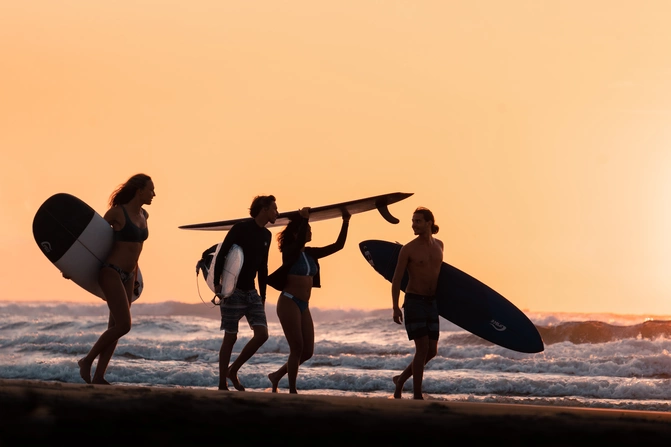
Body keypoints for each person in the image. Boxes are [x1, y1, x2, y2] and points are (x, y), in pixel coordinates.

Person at [78, 173, 155, 384]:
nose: (154, 194)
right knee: (124, 325)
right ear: (139, 191)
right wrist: (74, 268)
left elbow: (137, 249)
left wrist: (136, 274)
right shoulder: (116, 213)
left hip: (129, 276)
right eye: (150, 189)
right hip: (111, 272)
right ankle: (87, 361)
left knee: (115, 328)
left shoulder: (144, 215)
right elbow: (93, 242)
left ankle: (99, 376)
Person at [267, 208, 351, 394]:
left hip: (303, 305)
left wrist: (346, 221)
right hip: (288, 301)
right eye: (307, 229)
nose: (311, 232)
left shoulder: (311, 254)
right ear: (298, 233)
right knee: (296, 347)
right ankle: (292, 390)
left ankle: (276, 376)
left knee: (307, 352)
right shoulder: (290, 252)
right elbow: (296, 246)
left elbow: (338, 246)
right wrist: (303, 219)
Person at [212, 195, 278, 391]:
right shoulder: (240, 228)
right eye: (274, 208)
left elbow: (263, 268)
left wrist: (263, 296)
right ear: (264, 209)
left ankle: (233, 370)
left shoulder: (267, 235)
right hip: (233, 292)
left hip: (251, 293)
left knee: (262, 334)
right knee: (230, 338)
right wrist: (217, 284)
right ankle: (222, 382)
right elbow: (223, 253)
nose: (277, 212)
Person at [391, 207, 443, 399]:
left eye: (418, 221)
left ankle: (401, 379)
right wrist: (395, 306)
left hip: (432, 303)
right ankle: (417, 395)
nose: (413, 225)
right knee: (421, 348)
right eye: (413, 221)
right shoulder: (408, 249)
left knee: (432, 351)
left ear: (429, 223)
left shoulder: (440, 246)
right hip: (414, 301)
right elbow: (396, 279)